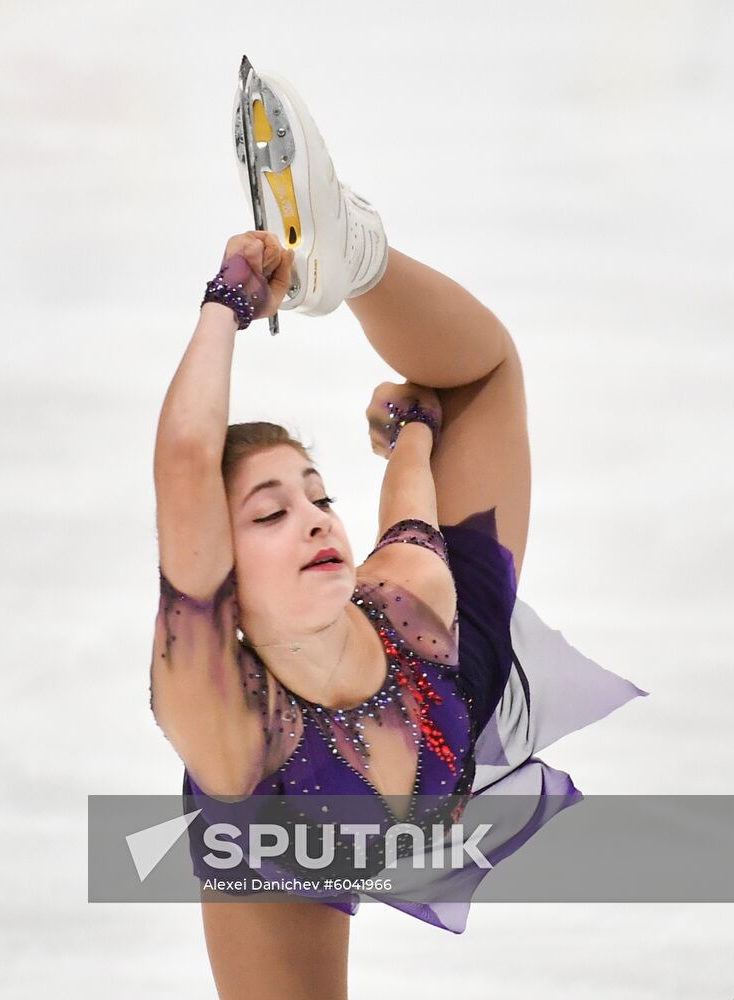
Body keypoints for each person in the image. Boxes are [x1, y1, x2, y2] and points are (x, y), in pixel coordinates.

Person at [149, 69, 645, 1000]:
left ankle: (355, 254)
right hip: (284, 840)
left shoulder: (409, 595)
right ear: (222, 588)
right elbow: (184, 463)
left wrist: (413, 423)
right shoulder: (222, 716)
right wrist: (229, 297)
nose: (309, 520)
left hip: (459, 697)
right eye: (268, 513)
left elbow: (427, 451)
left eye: (314, 498)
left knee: (480, 377)